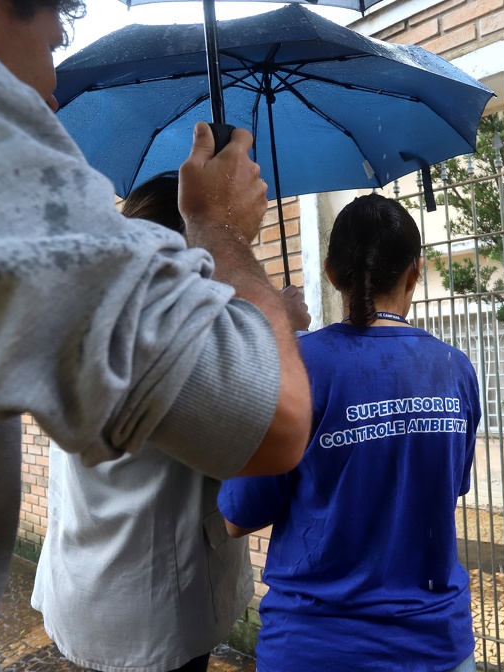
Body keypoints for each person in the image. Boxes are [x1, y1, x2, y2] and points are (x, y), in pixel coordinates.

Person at [0, 0, 313, 670]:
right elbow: (276, 422)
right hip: (155, 618)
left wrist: (249, 304)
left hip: (80, 591)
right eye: (52, 38)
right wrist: (224, 236)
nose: (54, 80)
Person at [31, 174, 309, 672]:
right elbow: (275, 435)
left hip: (86, 585)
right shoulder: (162, 339)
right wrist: (272, 316)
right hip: (150, 615)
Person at [218, 194, 481, 672]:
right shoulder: (455, 369)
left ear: (331, 272)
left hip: (316, 648)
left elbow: (237, 516)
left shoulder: (297, 368)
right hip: (436, 646)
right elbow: (446, 488)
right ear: (414, 273)